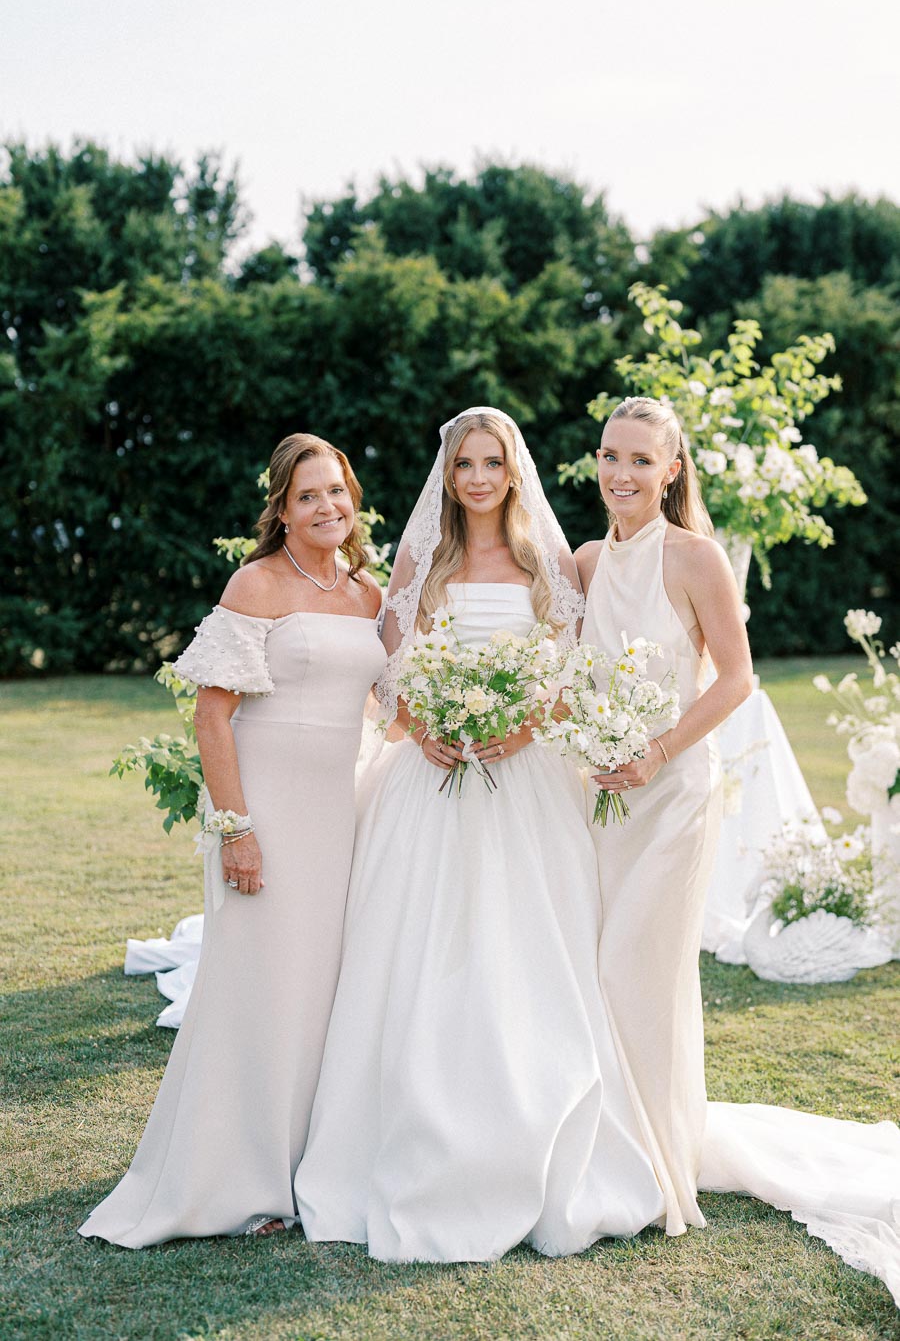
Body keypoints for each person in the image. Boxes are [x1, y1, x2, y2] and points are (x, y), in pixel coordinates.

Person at [293, 407, 669, 1262]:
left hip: (524, 779)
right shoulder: (423, 559)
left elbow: (568, 668)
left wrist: (527, 724)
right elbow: (388, 659)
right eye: (463, 463)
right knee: (419, 946)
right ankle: (411, 1126)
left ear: (512, 470)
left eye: (491, 462)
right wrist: (421, 721)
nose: (476, 478)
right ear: (448, 472)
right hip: (431, 771)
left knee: (523, 945)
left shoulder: (544, 560)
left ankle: (528, 1122)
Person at [576, 396, 900, 1303]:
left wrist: (655, 752)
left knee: (636, 967)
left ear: (672, 469)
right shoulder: (586, 560)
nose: (621, 475)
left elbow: (739, 676)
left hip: (671, 793)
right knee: (590, 966)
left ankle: (651, 1157)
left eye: (641, 460)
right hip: (594, 795)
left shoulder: (697, 558)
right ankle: (596, 1143)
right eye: (609, 456)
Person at [79, 433, 385, 1247]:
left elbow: (396, 702)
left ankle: (304, 1165)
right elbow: (213, 713)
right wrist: (236, 830)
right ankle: (238, 1177)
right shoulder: (256, 583)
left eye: (336, 491)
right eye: (308, 495)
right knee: (260, 991)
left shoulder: (368, 595)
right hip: (267, 812)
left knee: (321, 994)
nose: (327, 507)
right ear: (281, 510)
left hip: (341, 814)